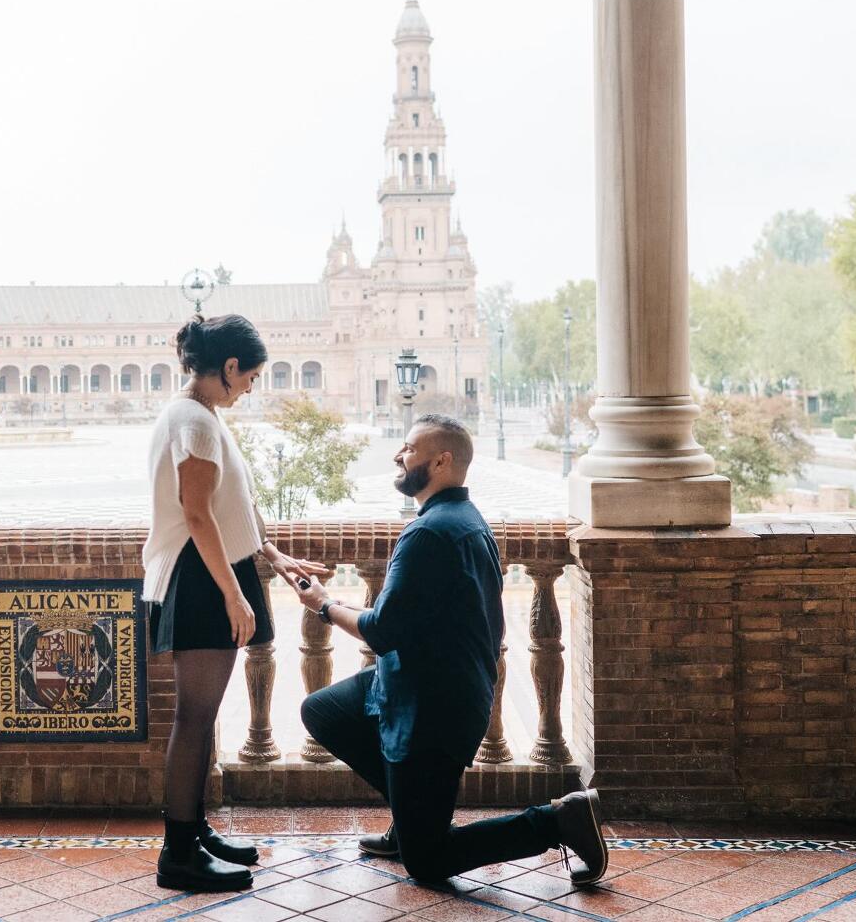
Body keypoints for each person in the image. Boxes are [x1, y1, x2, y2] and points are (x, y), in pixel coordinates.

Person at [287, 414, 608, 887]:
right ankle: (410, 812)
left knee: (428, 861)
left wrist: (324, 604)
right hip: (417, 685)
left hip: (431, 710)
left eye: (410, 449)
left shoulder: (428, 534)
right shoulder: (463, 519)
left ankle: (559, 821)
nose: (399, 456)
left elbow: (381, 631)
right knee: (324, 711)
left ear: (442, 460)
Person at [143, 313, 330, 892]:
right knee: (195, 717)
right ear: (227, 368)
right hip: (200, 580)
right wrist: (233, 593)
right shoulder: (195, 423)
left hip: (209, 574)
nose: (251, 387)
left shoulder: (197, 416)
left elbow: (229, 506)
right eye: (249, 376)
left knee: (203, 716)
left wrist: (272, 557)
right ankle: (179, 853)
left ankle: (194, 830)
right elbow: (196, 515)